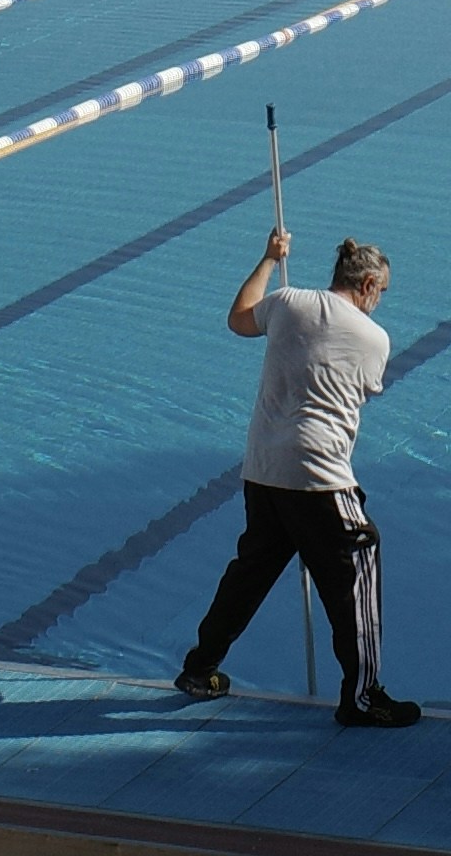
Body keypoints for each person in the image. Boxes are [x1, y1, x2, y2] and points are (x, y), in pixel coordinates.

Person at [174, 222, 420, 726]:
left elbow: (239, 319)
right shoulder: (374, 338)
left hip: (263, 470)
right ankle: (363, 695)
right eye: (384, 292)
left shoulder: (287, 302)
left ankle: (200, 668)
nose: (382, 302)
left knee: (249, 575)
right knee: (356, 573)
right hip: (321, 477)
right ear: (369, 285)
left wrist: (268, 259)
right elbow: (365, 388)